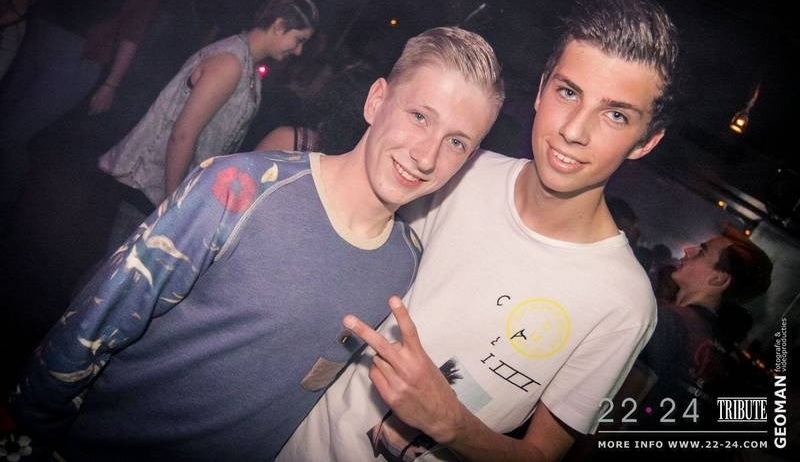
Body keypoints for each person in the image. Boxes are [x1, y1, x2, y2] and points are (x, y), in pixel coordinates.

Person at [9, 25, 504, 461]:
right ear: (376, 101)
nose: (426, 156)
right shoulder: (240, 190)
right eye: (420, 116)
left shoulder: (404, 264)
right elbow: (89, 330)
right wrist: (29, 436)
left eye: (456, 142)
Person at [278, 0, 680, 461]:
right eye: (568, 92)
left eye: (615, 115)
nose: (574, 130)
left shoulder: (624, 301)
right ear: (542, 89)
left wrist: (452, 424)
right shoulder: (456, 167)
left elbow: (542, 456)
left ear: (645, 142)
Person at [97, 0, 319, 249]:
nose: (299, 51)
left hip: (164, 191)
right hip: (152, 189)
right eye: (299, 39)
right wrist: (174, 206)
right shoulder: (230, 63)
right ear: (279, 26)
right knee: (118, 268)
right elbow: (183, 135)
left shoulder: (245, 63)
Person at [0, 0, 171, 203]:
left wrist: (110, 85)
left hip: (60, 47)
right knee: (9, 130)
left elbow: (132, 32)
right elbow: (132, 32)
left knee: (10, 132)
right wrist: (110, 85)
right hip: (60, 47)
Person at [634, 229, 772, 428]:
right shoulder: (714, 342)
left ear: (718, 279)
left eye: (701, 252)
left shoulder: (669, 323)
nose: (688, 250)